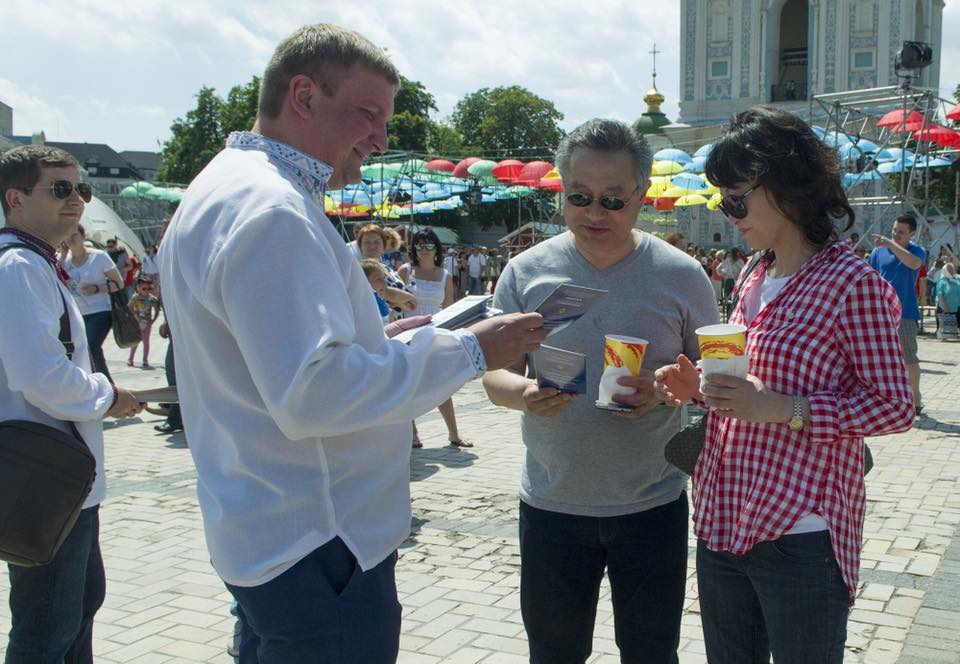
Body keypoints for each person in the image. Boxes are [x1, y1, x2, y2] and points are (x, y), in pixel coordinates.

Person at [157, 23, 545, 663]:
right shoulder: (273, 208)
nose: (380, 139)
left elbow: (269, 360)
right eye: (367, 114)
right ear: (303, 96)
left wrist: (373, 339)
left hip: (268, 524)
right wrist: (473, 349)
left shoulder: (227, 183)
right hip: (320, 539)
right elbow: (313, 394)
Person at [657, 106, 914, 664]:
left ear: (786, 183)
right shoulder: (754, 273)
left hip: (802, 528)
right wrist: (700, 388)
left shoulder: (852, 284)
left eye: (737, 197)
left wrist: (783, 409)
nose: (730, 213)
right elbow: (749, 386)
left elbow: (894, 407)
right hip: (724, 513)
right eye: (723, 199)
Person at [482, 118, 718, 664]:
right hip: (551, 503)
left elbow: (711, 379)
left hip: (651, 505)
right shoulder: (526, 271)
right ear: (562, 191)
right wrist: (524, 394)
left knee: (651, 652)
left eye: (613, 200)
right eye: (579, 197)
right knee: (555, 653)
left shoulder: (682, 276)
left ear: (642, 194)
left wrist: (664, 392)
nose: (594, 214)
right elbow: (493, 374)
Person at [0, 144, 143, 662]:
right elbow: (40, 376)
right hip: (44, 475)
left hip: (62, 474)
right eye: (60, 189)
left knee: (77, 607)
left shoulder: (35, 262)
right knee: (47, 628)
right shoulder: (18, 266)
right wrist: (109, 397)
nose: (77, 201)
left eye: (81, 189)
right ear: (14, 198)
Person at [398, 228, 473, 449]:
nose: (424, 250)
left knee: (442, 383)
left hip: (434, 332)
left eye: (428, 245)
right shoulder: (405, 271)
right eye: (419, 245)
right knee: (408, 383)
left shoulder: (445, 275)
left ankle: (453, 433)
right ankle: (412, 433)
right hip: (407, 332)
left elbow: (449, 307)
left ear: (436, 249)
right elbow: (393, 301)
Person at [869, 213, 925, 414]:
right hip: (881, 315)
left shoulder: (917, 250)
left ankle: (915, 398)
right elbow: (871, 278)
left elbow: (914, 264)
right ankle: (886, 400)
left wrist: (892, 246)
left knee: (908, 358)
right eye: (894, 230)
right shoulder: (878, 252)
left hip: (906, 314)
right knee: (880, 360)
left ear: (911, 234)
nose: (896, 234)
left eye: (901, 232)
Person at [61, 224, 124, 383]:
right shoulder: (64, 261)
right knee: (78, 351)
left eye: (74, 235)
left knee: (92, 346)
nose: (71, 239)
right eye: (67, 235)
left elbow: (119, 283)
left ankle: (108, 386)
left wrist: (96, 289)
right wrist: (62, 254)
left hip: (100, 311)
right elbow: (57, 281)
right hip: (77, 314)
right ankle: (89, 384)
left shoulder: (99, 257)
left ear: (83, 237)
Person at [126, 278, 161, 367]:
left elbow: (157, 310)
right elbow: (129, 307)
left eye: (149, 289)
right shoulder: (135, 297)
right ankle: (130, 359)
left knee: (146, 341)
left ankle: (145, 360)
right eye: (144, 289)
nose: (146, 291)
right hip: (137, 322)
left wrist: (153, 320)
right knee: (136, 341)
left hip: (147, 322)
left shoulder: (152, 299)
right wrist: (134, 316)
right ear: (138, 288)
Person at [935, 262, 960, 336]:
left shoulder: (958, 278)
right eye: (949, 270)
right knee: (947, 330)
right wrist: (945, 308)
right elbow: (940, 296)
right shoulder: (942, 281)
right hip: (946, 307)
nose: (952, 271)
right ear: (945, 270)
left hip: (958, 307)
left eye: (953, 269)